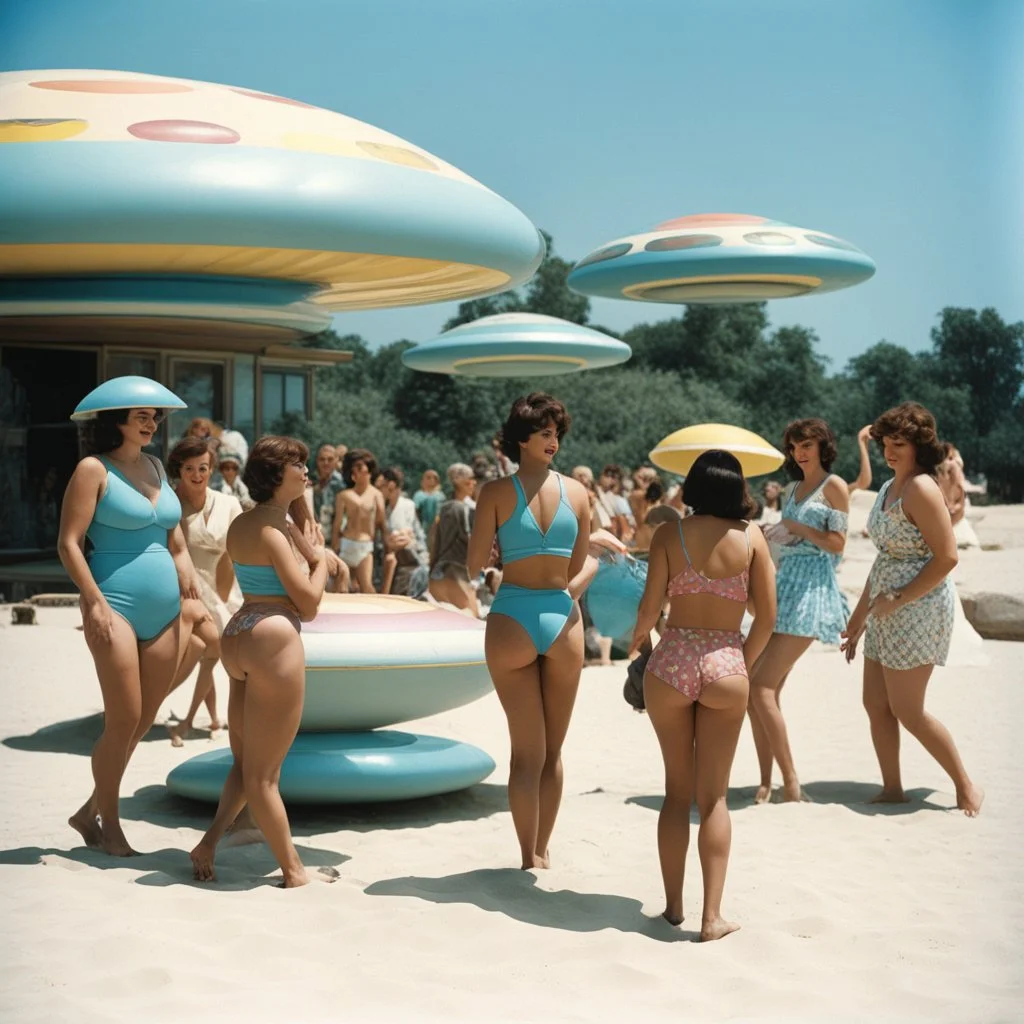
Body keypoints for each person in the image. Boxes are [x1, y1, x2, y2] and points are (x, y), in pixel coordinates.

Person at [631, 450, 775, 940]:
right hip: (725, 663)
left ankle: (673, 908)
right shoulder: (752, 537)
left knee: (676, 794)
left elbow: (650, 609)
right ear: (737, 490)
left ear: (692, 487)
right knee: (713, 799)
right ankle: (711, 918)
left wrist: (639, 646)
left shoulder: (669, 534)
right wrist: (741, 663)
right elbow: (769, 618)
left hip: (672, 662)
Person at [58, 390, 205, 855]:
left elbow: (174, 536)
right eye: (142, 417)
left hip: (165, 613)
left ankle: (87, 812)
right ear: (117, 420)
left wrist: (184, 566)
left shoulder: (159, 468)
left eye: (155, 417)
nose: (152, 424)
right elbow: (68, 543)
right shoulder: (92, 470)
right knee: (121, 719)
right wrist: (95, 603)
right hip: (113, 605)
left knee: (142, 721)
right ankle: (111, 829)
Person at [189, 436, 333, 886]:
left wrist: (307, 539)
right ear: (275, 475)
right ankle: (294, 871)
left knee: (246, 764)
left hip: (238, 635)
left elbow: (245, 576)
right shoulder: (276, 530)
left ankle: (209, 840)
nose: (306, 471)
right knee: (265, 776)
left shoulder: (246, 524)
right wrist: (324, 559)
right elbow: (308, 603)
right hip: (274, 639)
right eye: (298, 464)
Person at [468, 393, 592, 870]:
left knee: (527, 753)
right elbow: (577, 567)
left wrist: (505, 551)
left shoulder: (495, 494)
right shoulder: (579, 493)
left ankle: (528, 855)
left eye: (556, 432)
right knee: (551, 752)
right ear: (522, 439)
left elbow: (476, 564)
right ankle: (540, 850)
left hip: (512, 616)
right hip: (561, 619)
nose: (554, 441)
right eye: (545, 433)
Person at [841, 403, 983, 817]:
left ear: (918, 446)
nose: (889, 451)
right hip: (885, 603)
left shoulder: (922, 488)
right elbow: (885, 559)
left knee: (909, 710)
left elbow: (947, 557)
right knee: (875, 703)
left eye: (898, 444)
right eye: (885, 443)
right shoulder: (888, 488)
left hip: (918, 605)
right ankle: (892, 788)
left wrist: (898, 599)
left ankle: (966, 785)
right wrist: (858, 618)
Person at [748, 419, 850, 803]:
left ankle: (790, 783)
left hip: (812, 589)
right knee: (757, 692)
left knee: (759, 687)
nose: (800, 452)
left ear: (823, 446)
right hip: (785, 584)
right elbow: (793, 533)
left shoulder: (834, 486)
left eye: (806, 444)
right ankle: (766, 780)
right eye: (794, 446)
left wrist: (794, 526)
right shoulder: (793, 488)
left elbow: (838, 544)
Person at [165, 437, 244, 746]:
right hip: (188, 589)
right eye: (189, 469)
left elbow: (241, 548)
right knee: (209, 648)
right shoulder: (170, 506)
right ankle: (189, 721)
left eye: (203, 468)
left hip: (226, 589)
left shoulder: (229, 503)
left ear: (212, 468)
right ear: (178, 470)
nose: (197, 475)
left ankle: (206, 720)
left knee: (211, 653)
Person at [428, 463, 480, 614]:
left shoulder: (444, 508)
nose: (474, 482)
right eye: (471, 479)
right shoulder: (466, 509)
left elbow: (434, 542)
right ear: (459, 481)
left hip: (439, 573)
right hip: (459, 575)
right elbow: (473, 543)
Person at [334, 448, 387, 593]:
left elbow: (382, 523)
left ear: (369, 470)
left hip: (365, 545)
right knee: (341, 588)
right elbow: (337, 523)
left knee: (367, 586)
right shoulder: (344, 495)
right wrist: (334, 547)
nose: (356, 471)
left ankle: (376, 614)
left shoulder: (377, 495)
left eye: (359, 467)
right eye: (353, 468)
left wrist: (387, 547)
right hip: (346, 543)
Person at [380, 466, 428, 596]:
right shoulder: (384, 508)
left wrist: (391, 542)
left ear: (391, 485)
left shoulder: (407, 505)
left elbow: (404, 536)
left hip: (411, 557)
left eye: (381, 486)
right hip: (392, 558)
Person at [413, 469, 445, 534]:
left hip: (438, 527)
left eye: (435, 478)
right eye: (428, 478)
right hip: (423, 527)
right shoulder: (419, 495)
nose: (432, 480)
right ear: (422, 480)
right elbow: (415, 511)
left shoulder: (441, 495)